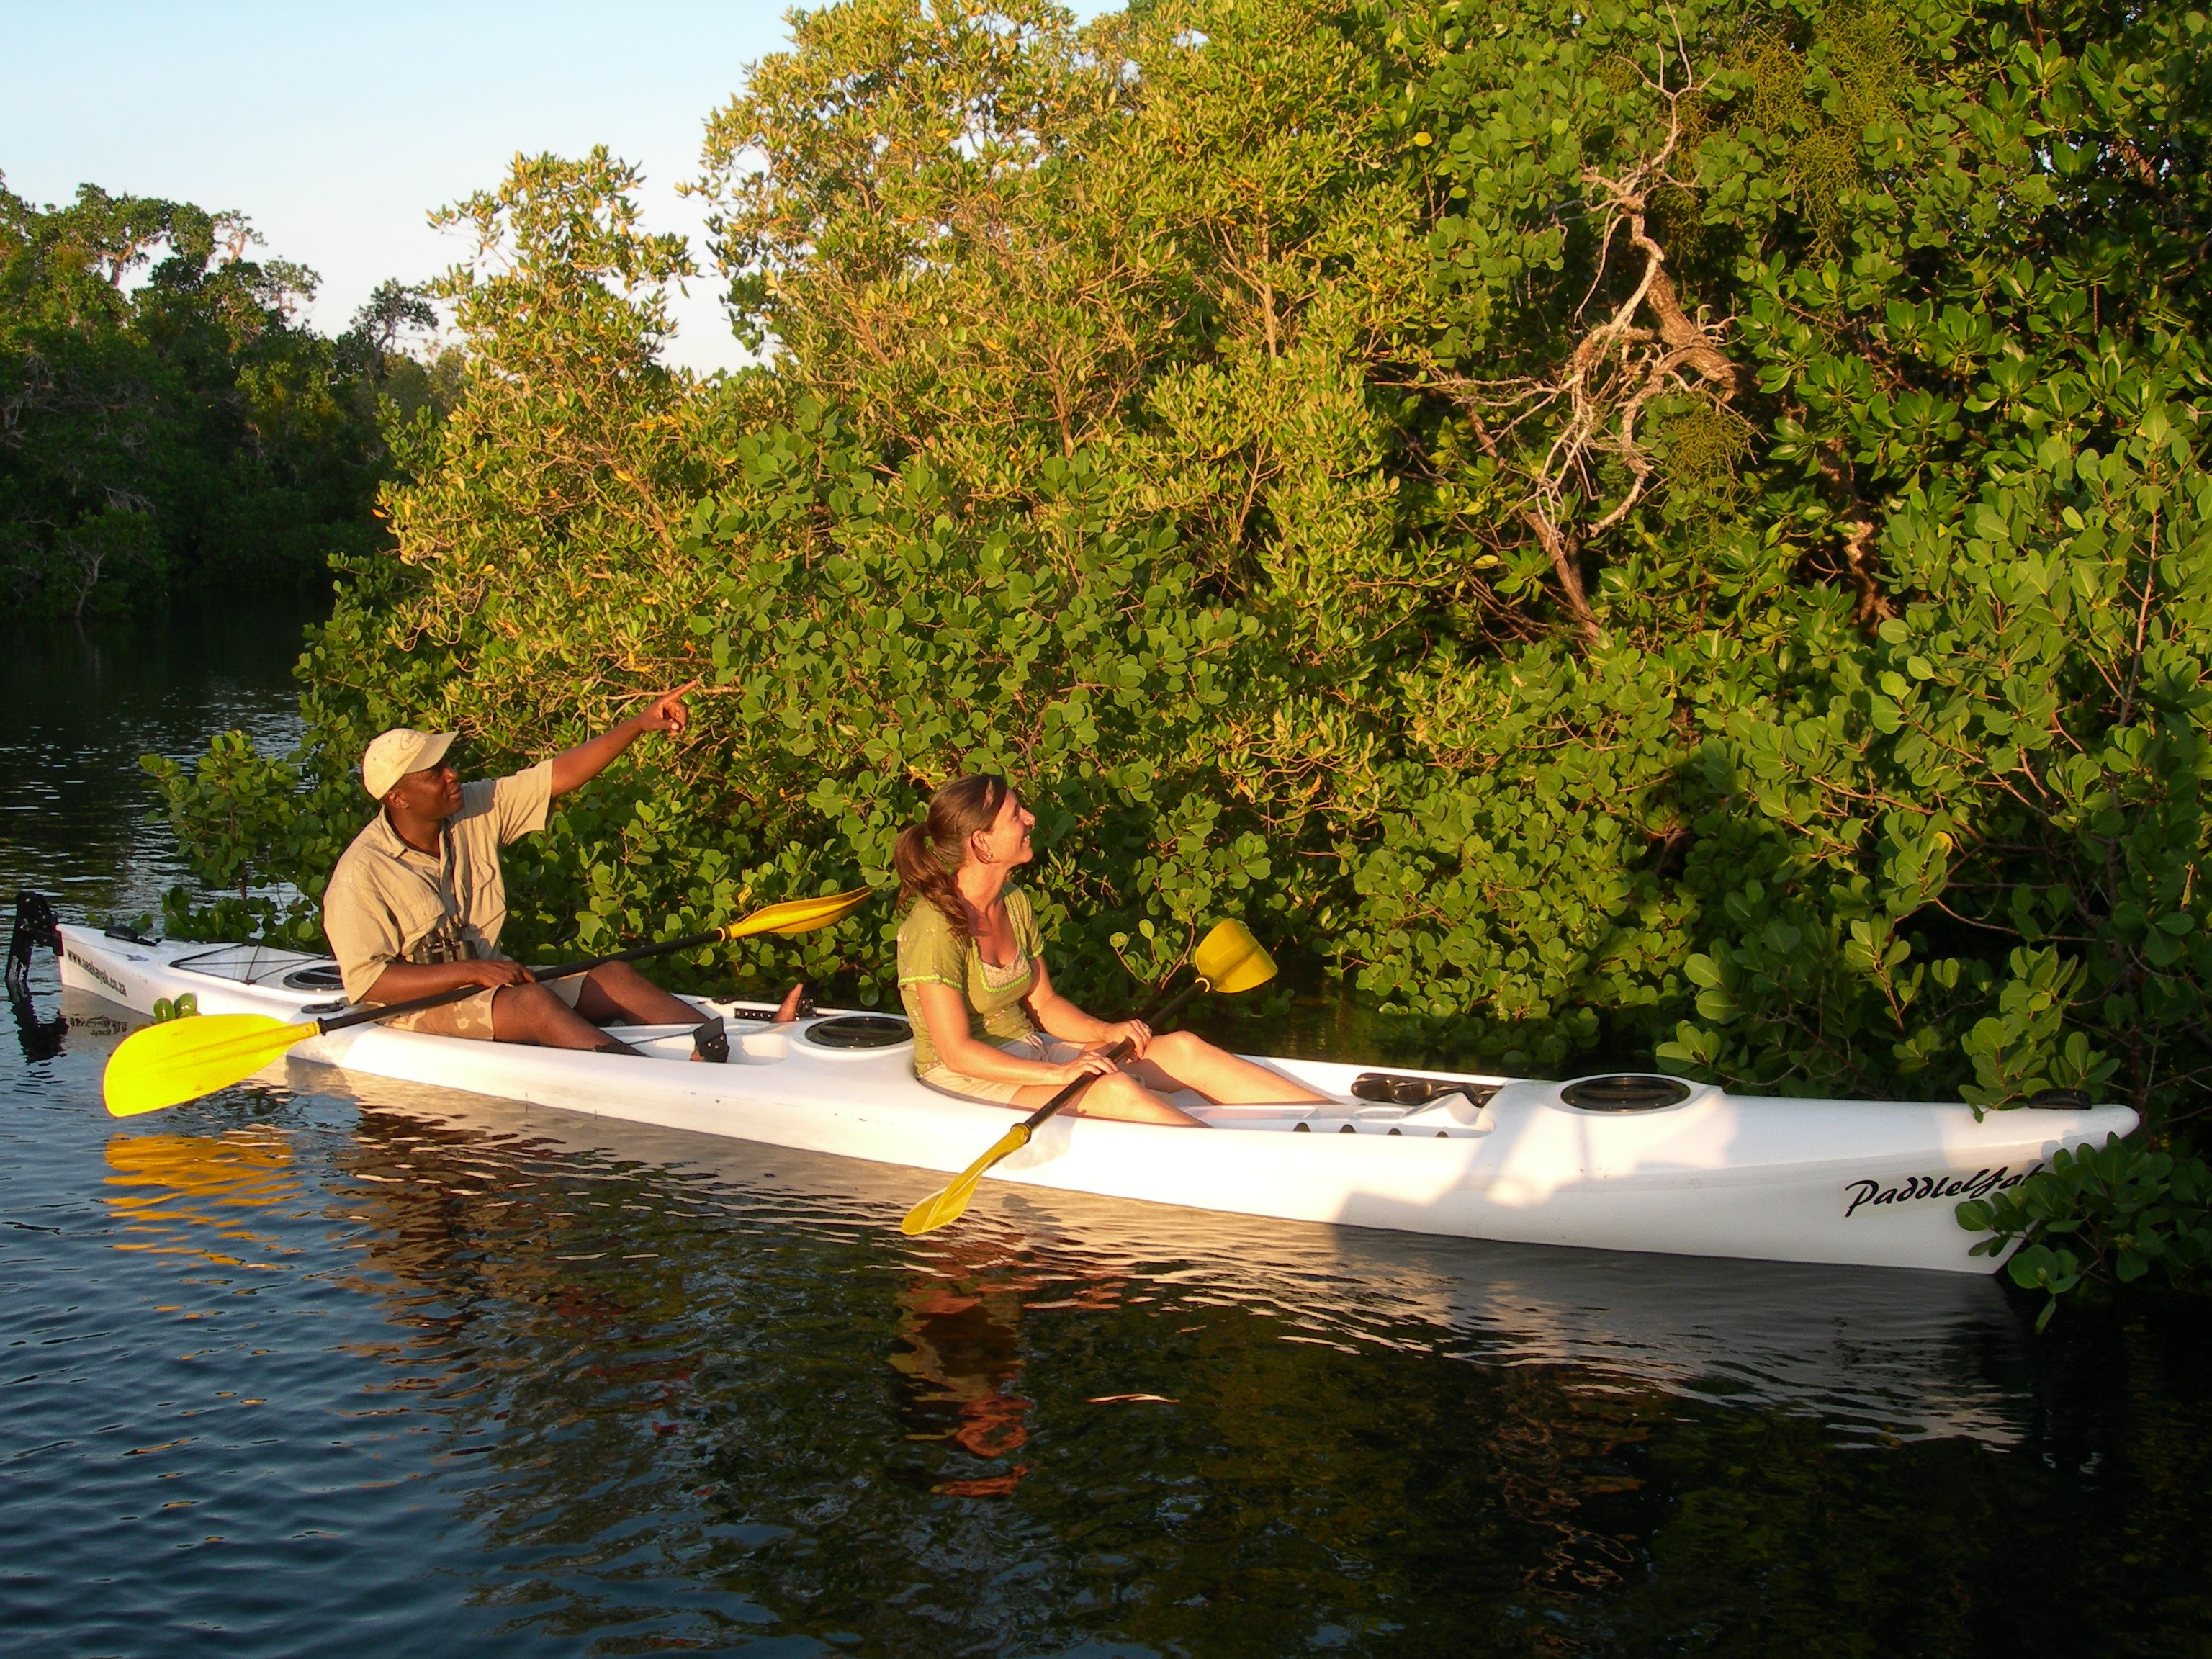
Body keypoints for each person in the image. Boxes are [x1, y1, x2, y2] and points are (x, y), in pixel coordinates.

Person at [892, 773, 1334, 1125]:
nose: (1029, 818)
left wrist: (1107, 1033)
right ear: (981, 842)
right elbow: (956, 1052)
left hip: (1032, 1049)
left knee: (1181, 1047)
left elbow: (1044, 1003)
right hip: (967, 1077)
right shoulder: (934, 927)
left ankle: (1340, 1121)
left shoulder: (1014, 901)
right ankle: (1253, 1164)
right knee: (1117, 1089)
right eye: (1014, 814)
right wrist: (1059, 1072)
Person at [323, 685, 721, 1058]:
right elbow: (370, 982)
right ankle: (652, 1079)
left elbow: (557, 777)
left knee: (613, 976)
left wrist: (637, 724)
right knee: (534, 1003)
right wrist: (473, 970)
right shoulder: (361, 875)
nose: (453, 775)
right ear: (398, 798)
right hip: (408, 1010)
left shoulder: (471, 806)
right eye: (434, 775)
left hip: (491, 986)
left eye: (447, 765)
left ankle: (721, 1050)